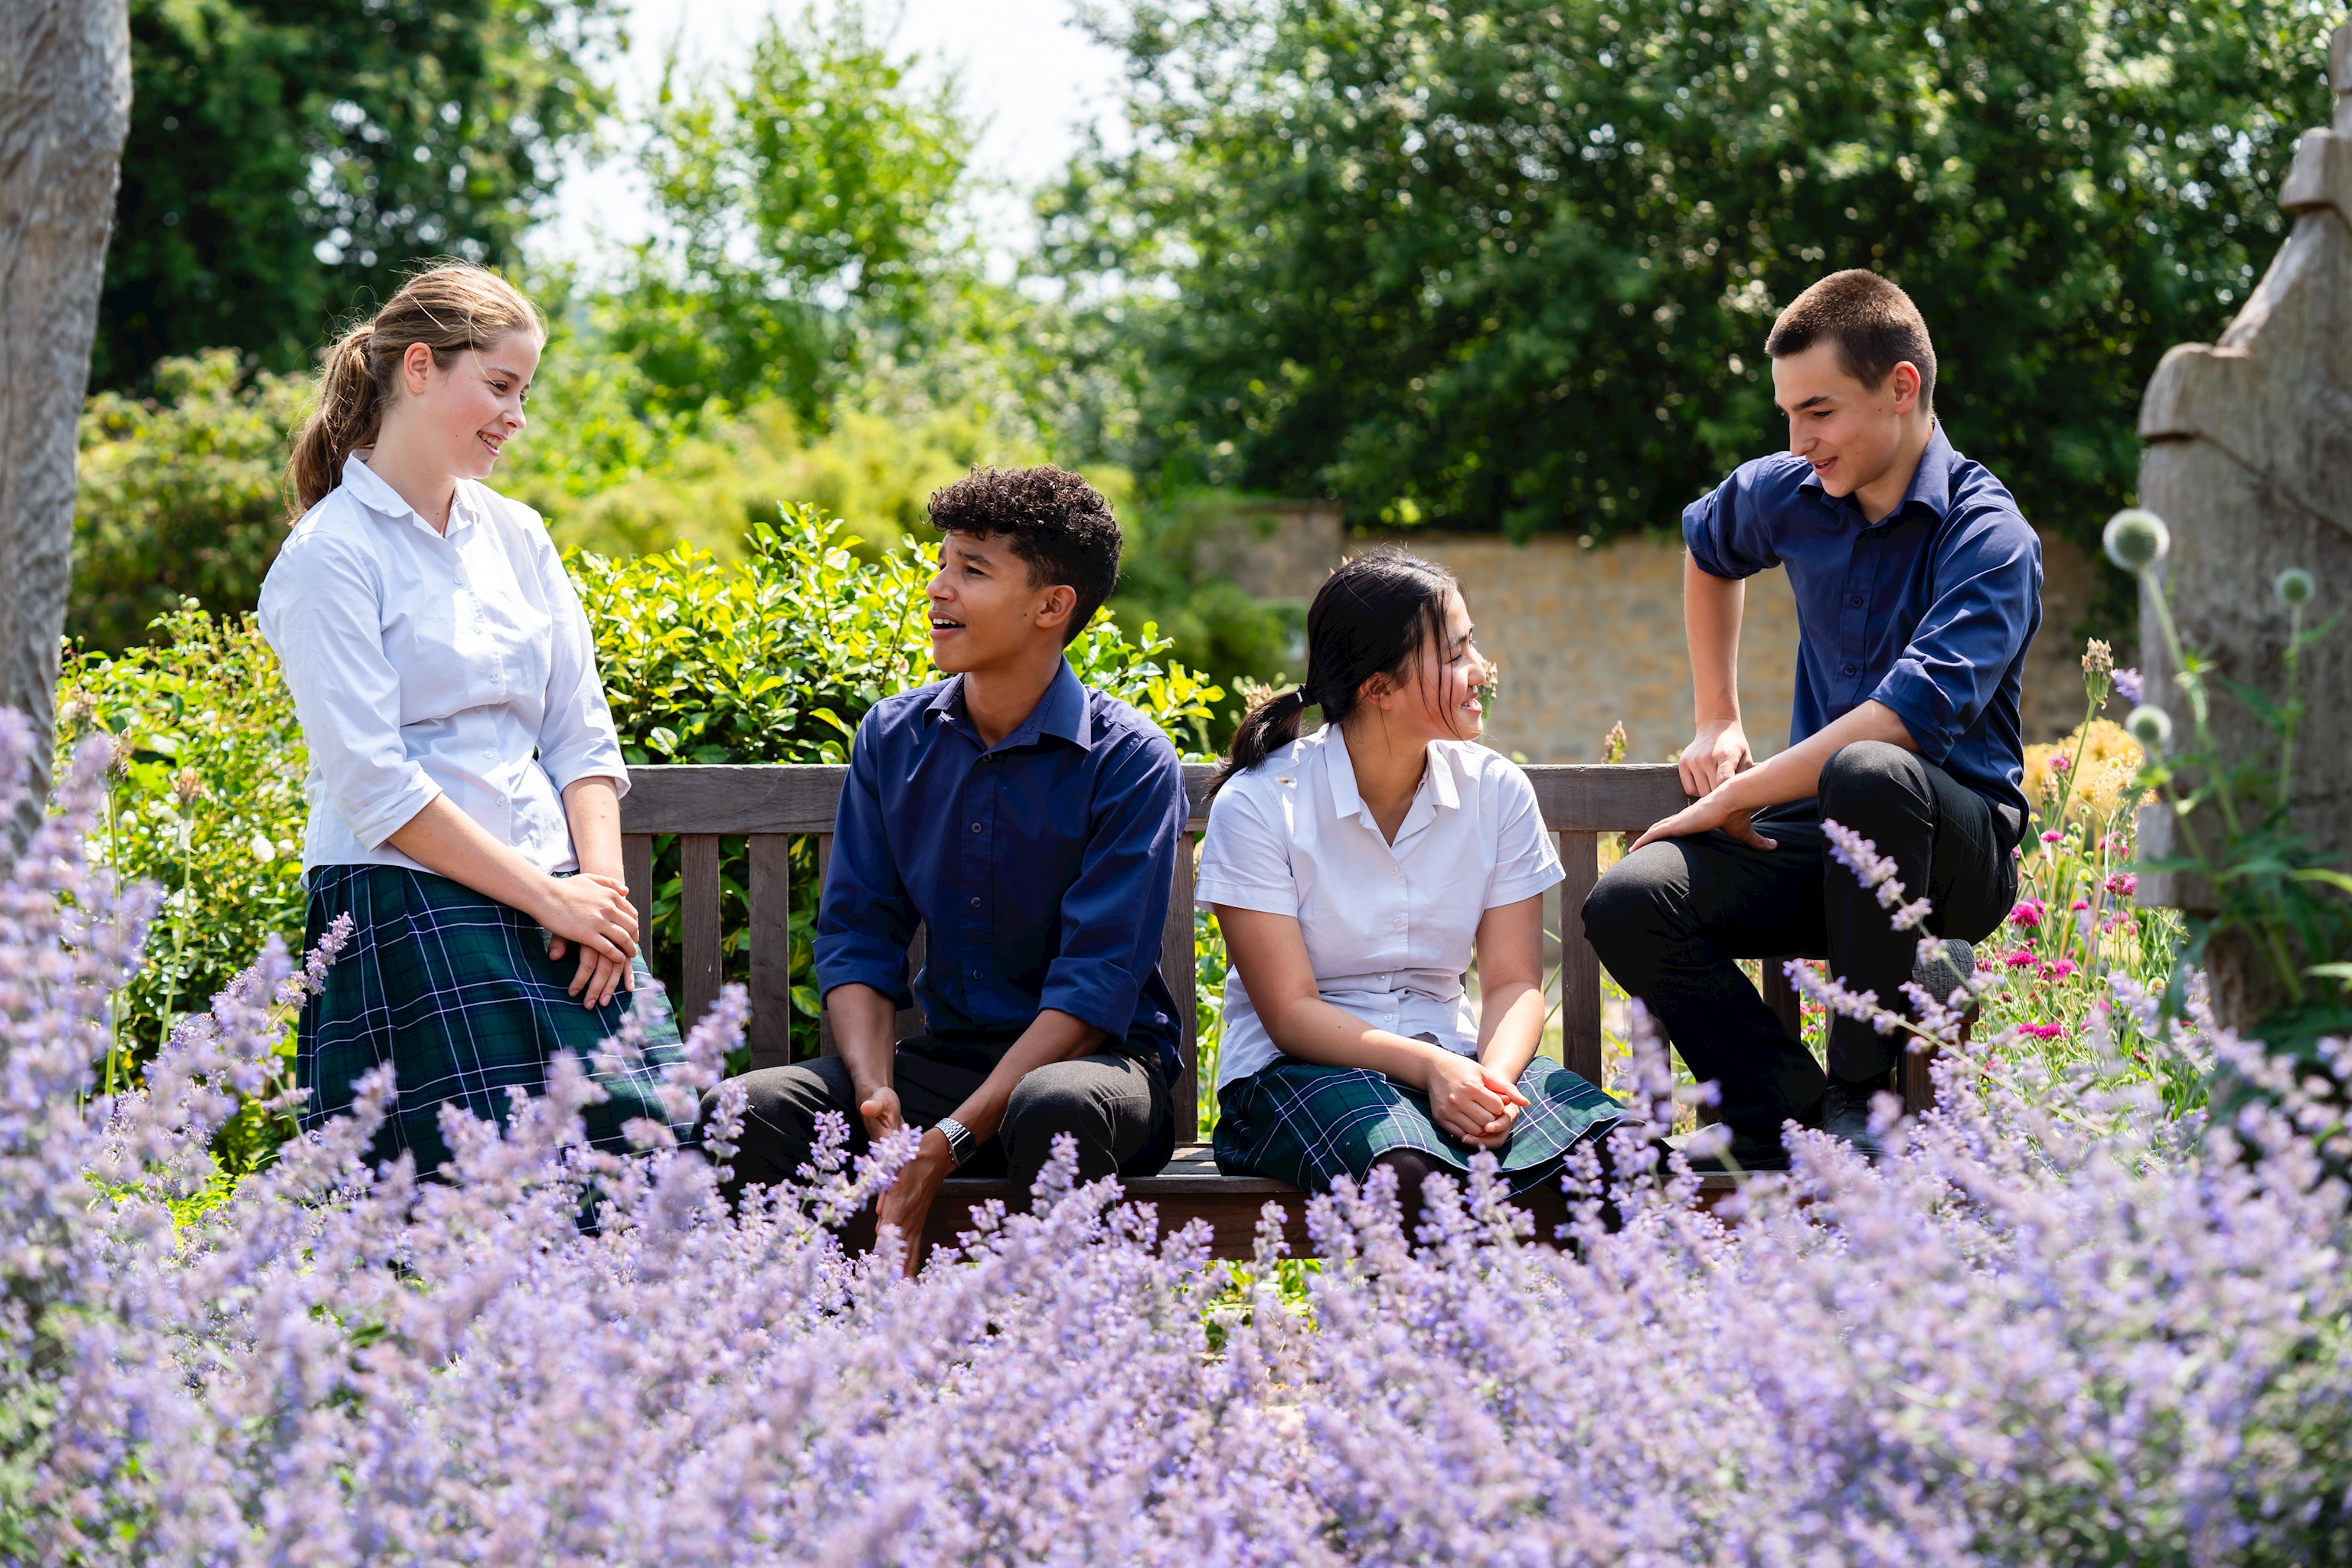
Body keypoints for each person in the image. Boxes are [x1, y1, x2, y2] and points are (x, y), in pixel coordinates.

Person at [1583, 270, 2040, 1168]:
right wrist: (1718, 714)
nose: (1800, 440)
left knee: (1869, 771)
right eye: (1789, 414)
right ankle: (1792, 1119)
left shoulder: (1990, 537)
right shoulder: (1791, 490)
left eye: (1819, 411)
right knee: (1629, 899)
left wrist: (1735, 793)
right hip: (1823, 834)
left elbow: (1900, 725)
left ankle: (1865, 1100)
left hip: (1952, 853)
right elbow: (1708, 552)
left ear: (1901, 387)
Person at [259, 262, 688, 1176]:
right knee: (468, 1201)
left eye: (524, 391)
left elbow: (581, 735)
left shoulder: (518, 534)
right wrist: (548, 897)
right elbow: (376, 785)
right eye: (499, 385)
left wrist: (599, 901)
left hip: (561, 897)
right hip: (407, 898)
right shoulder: (327, 556)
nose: (516, 416)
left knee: (654, 1153)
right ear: (419, 368)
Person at [707, 466, 1186, 1263]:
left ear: (1051, 605)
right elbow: (859, 932)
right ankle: (799, 1357)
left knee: (1050, 1103)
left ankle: (1059, 1364)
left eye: (972, 570)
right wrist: (876, 1095)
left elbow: (1096, 985)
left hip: (1095, 1073)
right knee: (744, 1109)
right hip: (946, 1065)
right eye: (943, 563)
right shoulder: (895, 737)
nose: (938, 588)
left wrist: (954, 1139)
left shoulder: (1129, 758)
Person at [1200, 549, 1622, 1243]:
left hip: (1455, 1055)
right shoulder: (1258, 804)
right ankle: (1416, 1353)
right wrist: (1435, 1071)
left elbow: (1514, 982)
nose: (1481, 669)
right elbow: (1290, 1012)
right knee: (1409, 1175)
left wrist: (1489, 1083)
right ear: (1378, 688)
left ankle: (1591, 1350)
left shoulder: (1495, 790)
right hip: (1295, 1073)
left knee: (1613, 1159)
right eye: (1456, 653)